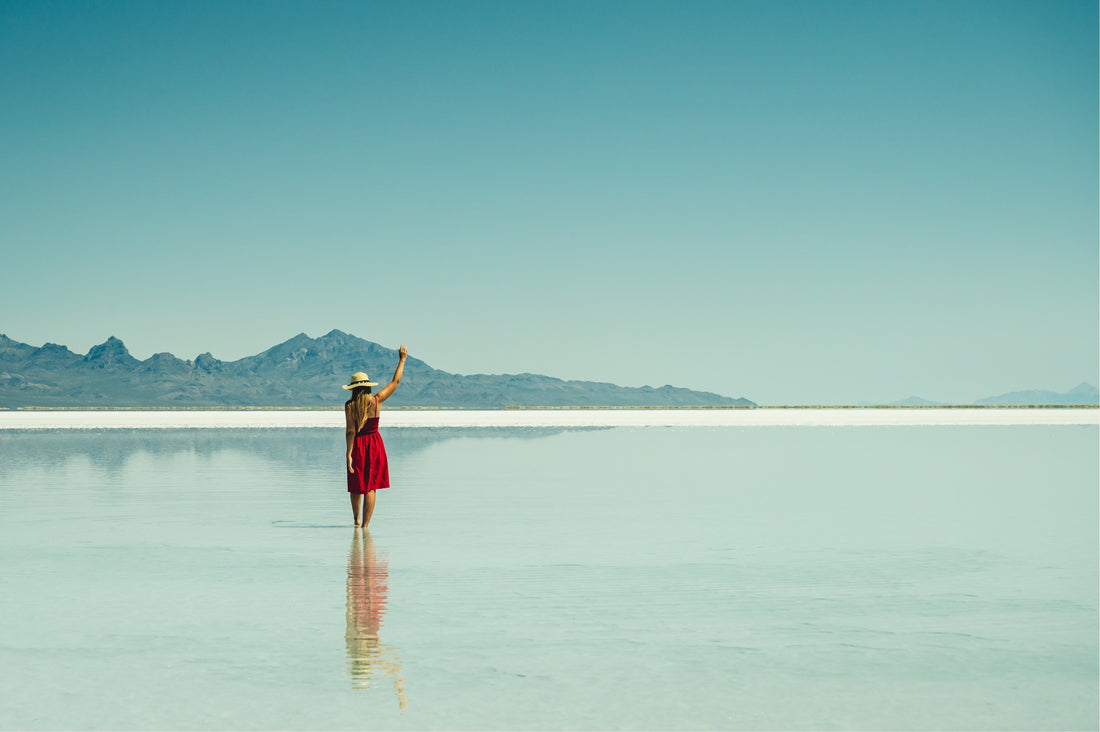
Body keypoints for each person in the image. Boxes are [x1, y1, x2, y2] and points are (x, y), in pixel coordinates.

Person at [344, 344, 407, 528]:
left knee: (356, 485)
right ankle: (365, 525)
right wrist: (402, 360)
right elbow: (395, 382)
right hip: (374, 444)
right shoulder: (376, 401)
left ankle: (356, 520)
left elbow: (350, 431)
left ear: (353, 389)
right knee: (370, 486)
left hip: (357, 445)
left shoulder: (350, 406)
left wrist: (349, 453)